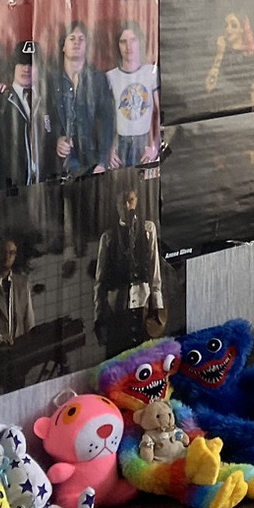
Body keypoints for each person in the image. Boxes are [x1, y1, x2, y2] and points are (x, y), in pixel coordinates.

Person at [94, 186, 163, 355]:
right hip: (118, 308)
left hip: (143, 303)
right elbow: (100, 282)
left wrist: (158, 308)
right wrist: (99, 317)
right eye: (121, 202)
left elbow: (155, 272)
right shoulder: (108, 237)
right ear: (116, 205)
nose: (126, 206)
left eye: (130, 200)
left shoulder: (148, 230)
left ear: (136, 201)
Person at [48, 21, 114, 178]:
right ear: (63, 46)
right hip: (59, 163)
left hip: (91, 161)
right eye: (72, 38)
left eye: (81, 39)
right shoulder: (51, 80)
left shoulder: (98, 79)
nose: (77, 42)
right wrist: (56, 139)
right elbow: (45, 117)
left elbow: (107, 121)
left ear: (87, 46)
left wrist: (103, 161)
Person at [0, 39, 45, 189]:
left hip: (43, 186)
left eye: (31, 64)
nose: (26, 69)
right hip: (11, 187)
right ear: (13, 66)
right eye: (21, 63)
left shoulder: (48, 100)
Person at [107, 20, 158, 168]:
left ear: (140, 42)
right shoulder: (110, 77)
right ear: (118, 45)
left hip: (144, 143)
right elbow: (106, 118)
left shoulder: (151, 72)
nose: (128, 46)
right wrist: (108, 149)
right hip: (120, 144)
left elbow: (160, 112)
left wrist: (155, 145)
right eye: (123, 41)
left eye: (133, 40)